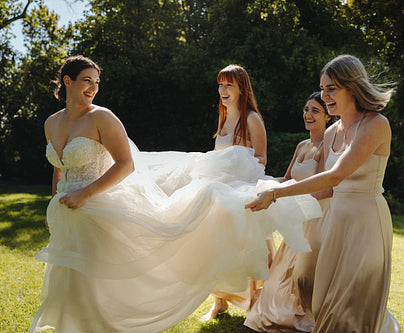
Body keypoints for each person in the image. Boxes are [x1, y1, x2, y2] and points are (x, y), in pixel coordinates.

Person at [29, 55, 322, 333]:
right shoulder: (51, 123)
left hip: (98, 202)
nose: (93, 87)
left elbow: (126, 163)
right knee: (69, 270)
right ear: (67, 82)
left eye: (96, 82)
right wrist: (54, 203)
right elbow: (60, 169)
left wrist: (85, 195)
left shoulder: (102, 117)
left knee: (98, 271)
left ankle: (105, 323)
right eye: (86, 81)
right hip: (65, 207)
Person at [246, 55, 400, 332]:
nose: (325, 95)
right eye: (323, 88)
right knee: (324, 303)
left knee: (353, 305)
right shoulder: (331, 133)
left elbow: (335, 175)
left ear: (352, 87)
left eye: (332, 88)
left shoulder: (376, 124)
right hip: (335, 223)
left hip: (366, 223)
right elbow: (327, 187)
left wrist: (277, 193)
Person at [245, 92, 334, 332]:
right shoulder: (301, 145)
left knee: (305, 275)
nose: (308, 115)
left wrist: (285, 197)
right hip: (295, 218)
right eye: (306, 110)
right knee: (283, 278)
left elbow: (327, 189)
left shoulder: (329, 145)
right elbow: (285, 179)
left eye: (315, 110)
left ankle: (311, 313)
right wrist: (256, 184)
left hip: (316, 218)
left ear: (328, 116)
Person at [203, 64, 275, 321]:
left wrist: (236, 174)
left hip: (243, 192)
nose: (223, 90)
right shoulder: (224, 118)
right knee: (217, 246)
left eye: (228, 85)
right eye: (220, 85)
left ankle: (256, 302)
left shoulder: (251, 119)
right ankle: (219, 301)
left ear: (241, 88)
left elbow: (262, 158)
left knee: (249, 247)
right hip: (220, 192)